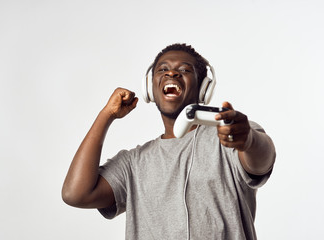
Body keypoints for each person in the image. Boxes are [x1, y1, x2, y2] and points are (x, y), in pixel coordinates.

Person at [62, 43, 276, 240]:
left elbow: (262, 160)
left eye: (184, 70)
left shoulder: (229, 134)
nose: (171, 73)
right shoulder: (133, 163)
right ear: (150, 88)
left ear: (203, 89)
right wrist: (106, 115)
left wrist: (248, 141)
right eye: (162, 69)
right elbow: (76, 194)